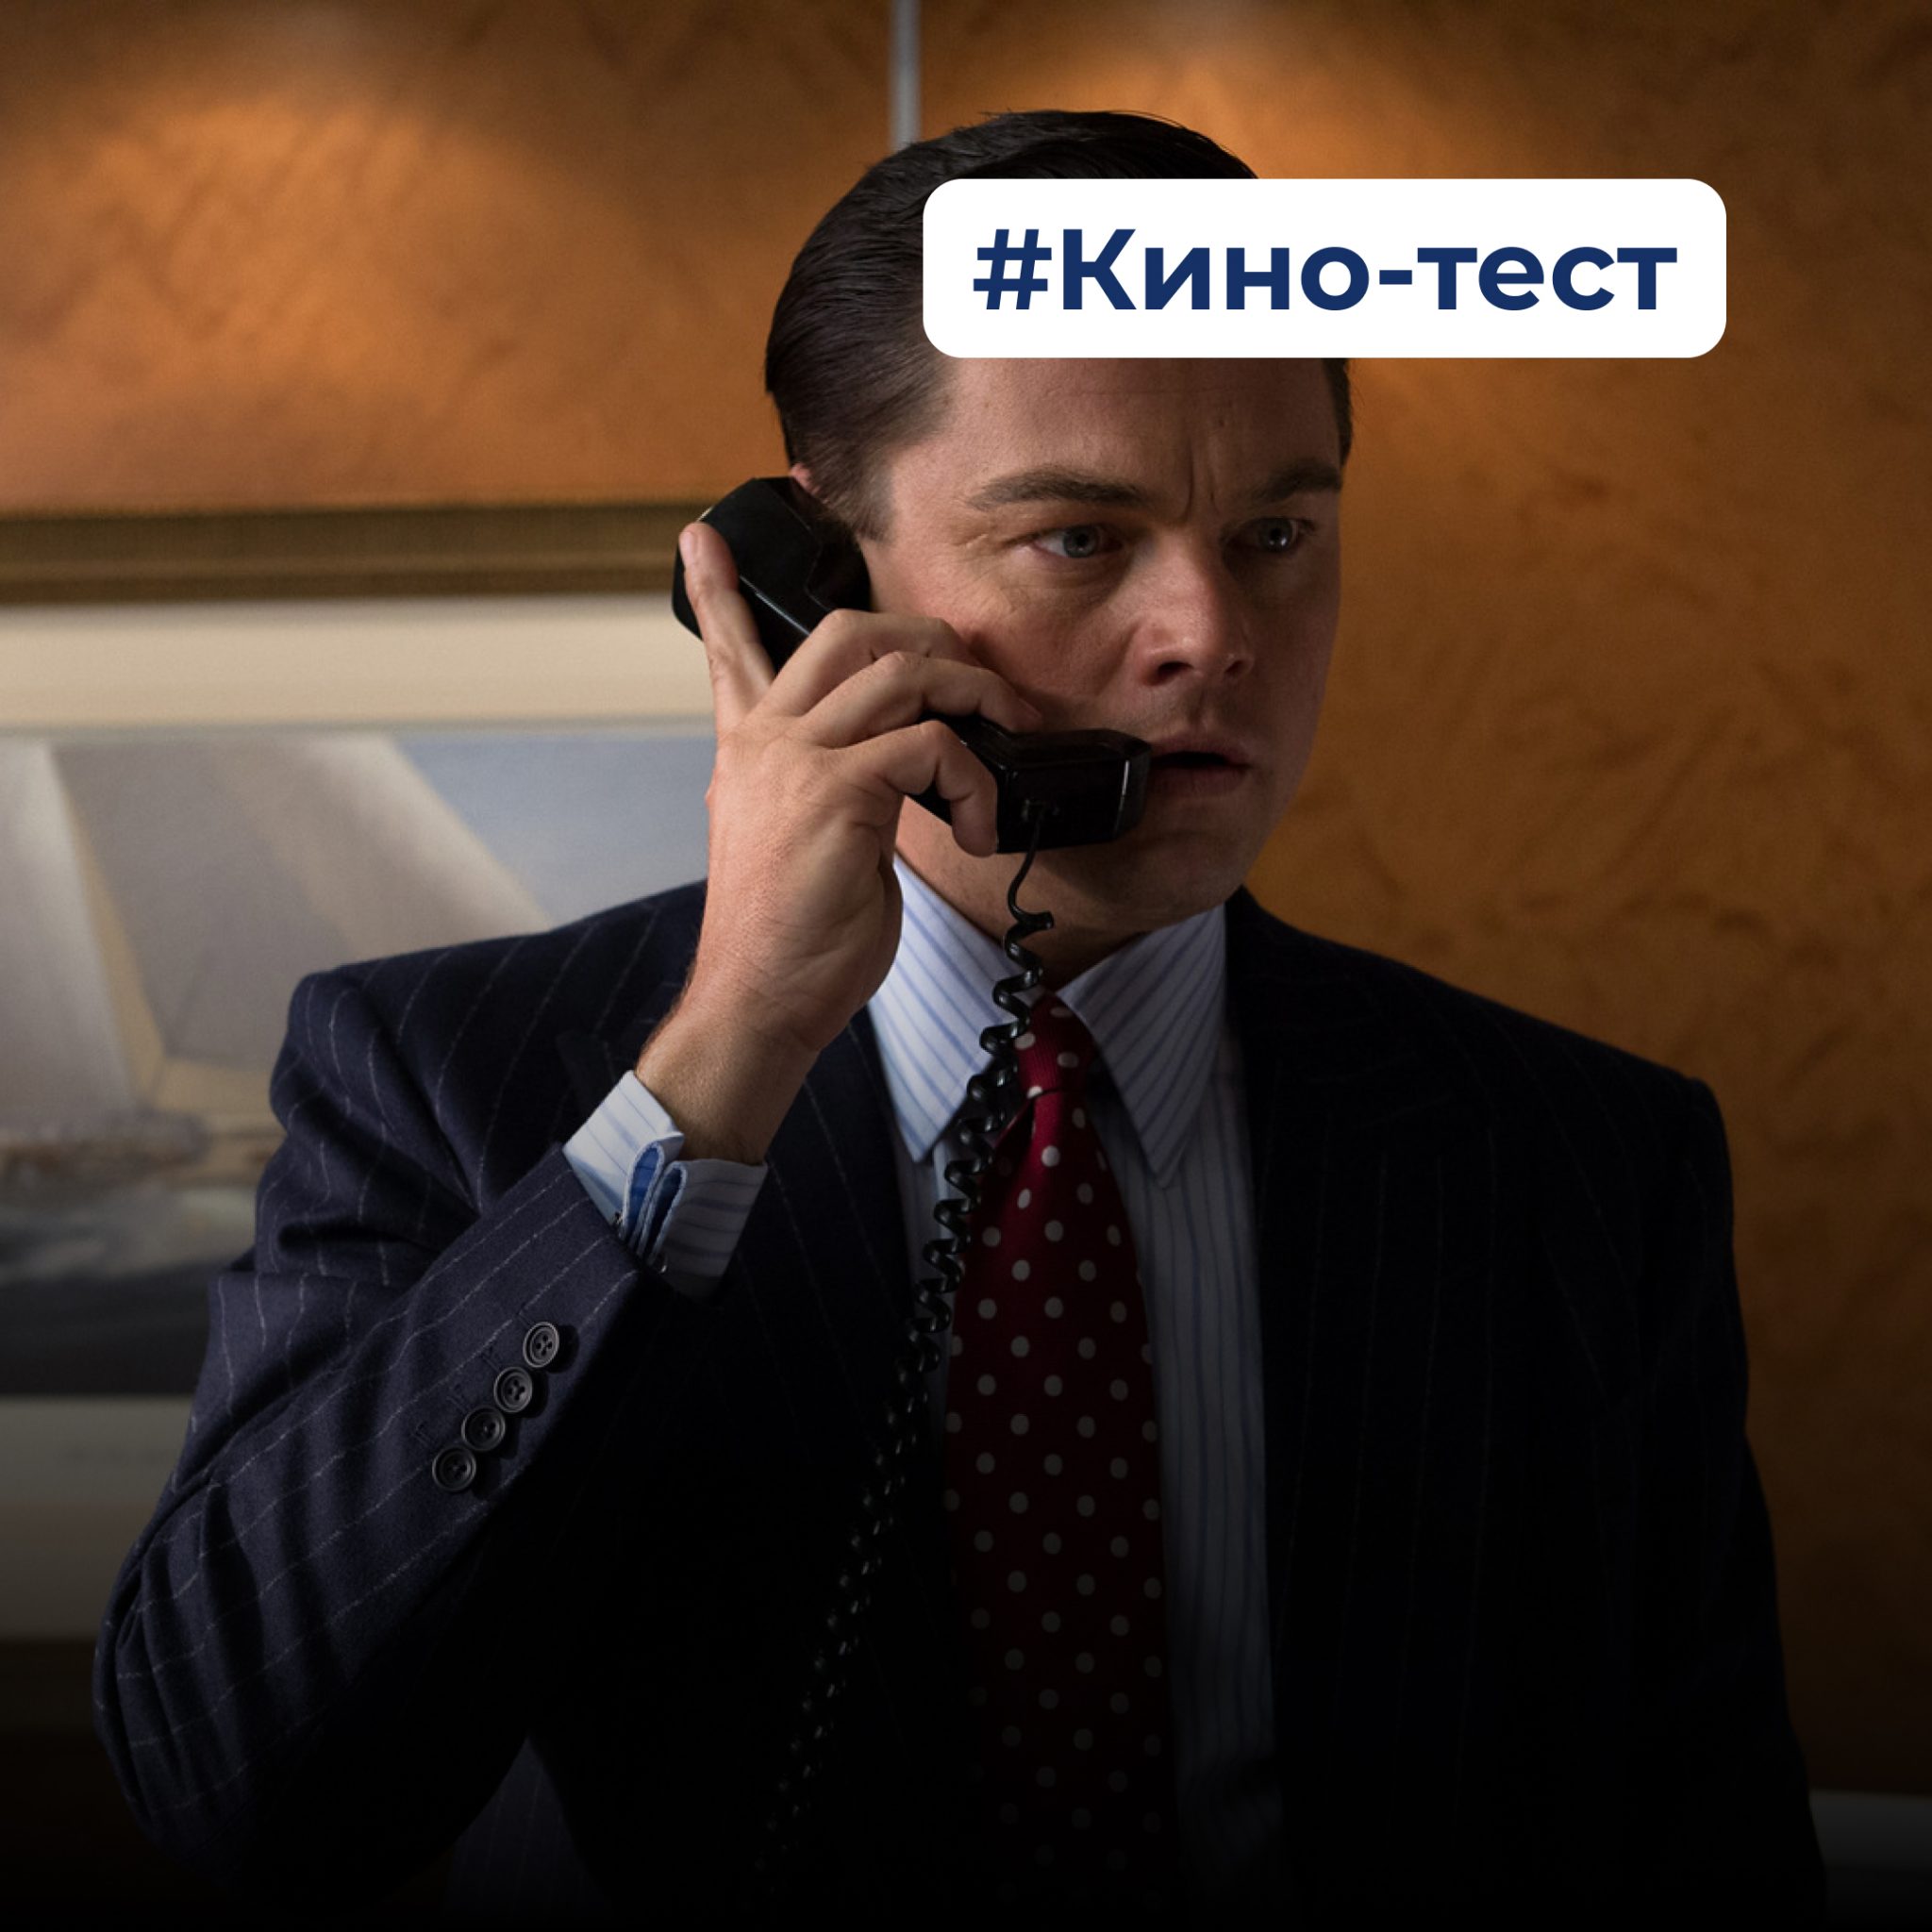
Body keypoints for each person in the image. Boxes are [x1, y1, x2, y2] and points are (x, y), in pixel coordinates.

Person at [93, 109, 1824, 1928]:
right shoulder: (443, 1079)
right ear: (814, 583)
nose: (1211, 632)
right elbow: (235, 1791)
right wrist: (717, 1070)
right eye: (1080, 538)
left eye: (1278, 532)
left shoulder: (1585, 1164)